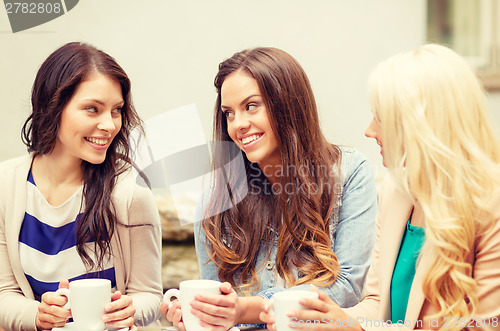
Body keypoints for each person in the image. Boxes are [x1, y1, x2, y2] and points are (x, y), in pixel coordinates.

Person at [264, 44, 500, 331]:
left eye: (381, 118)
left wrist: (354, 329)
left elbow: (485, 325)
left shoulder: (492, 203)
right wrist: (331, 319)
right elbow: (377, 304)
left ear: (420, 125)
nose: (369, 130)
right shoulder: (396, 190)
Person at [161, 47, 377, 330]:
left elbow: (346, 288)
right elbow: (216, 301)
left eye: (251, 106)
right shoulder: (216, 201)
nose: (238, 124)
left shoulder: (349, 174)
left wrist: (249, 309)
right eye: (229, 113)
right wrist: (201, 316)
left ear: (287, 104)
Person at [0, 42, 163, 330]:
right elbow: (4, 293)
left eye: (116, 110)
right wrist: (38, 315)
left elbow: (148, 294)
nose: (110, 125)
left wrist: (129, 309)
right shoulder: (6, 185)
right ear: (53, 107)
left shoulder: (129, 194)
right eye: (92, 109)